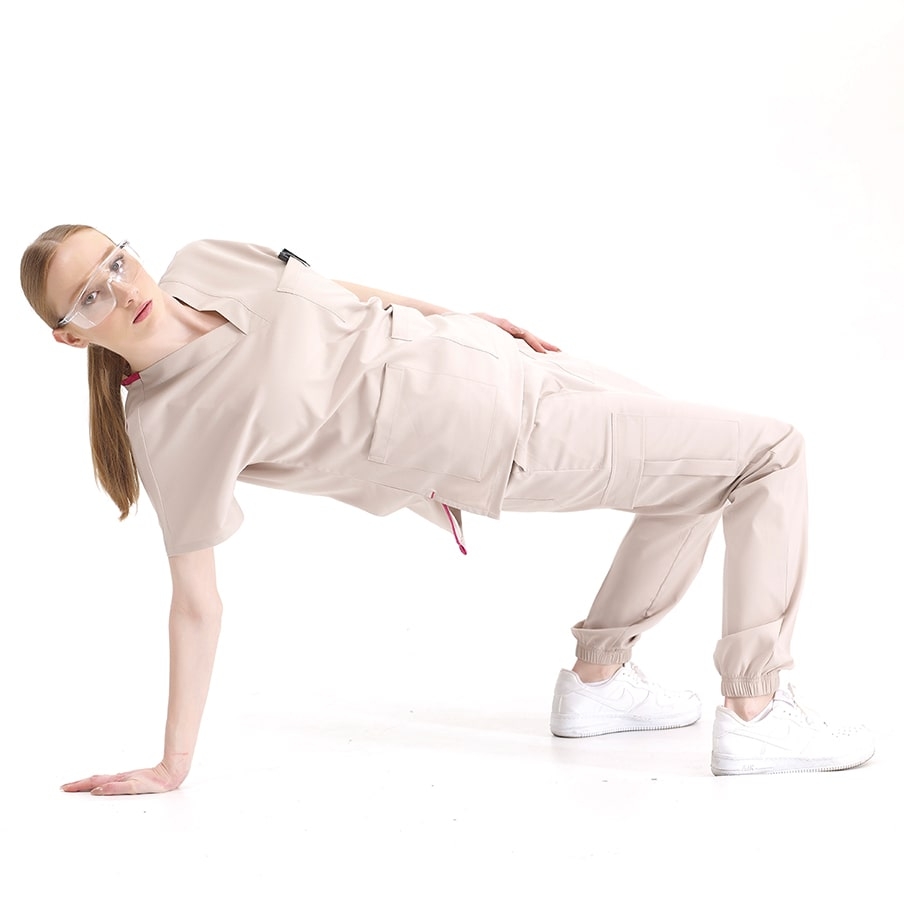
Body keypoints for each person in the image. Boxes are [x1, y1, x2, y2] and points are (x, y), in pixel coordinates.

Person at [21, 224, 874, 795]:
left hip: (499, 362)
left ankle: (600, 684)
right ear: (69, 335)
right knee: (769, 452)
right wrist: (172, 763)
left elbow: (333, 290)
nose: (119, 290)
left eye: (115, 263)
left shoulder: (206, 258)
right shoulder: (171, 427)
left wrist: (463, 317)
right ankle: (757, 711)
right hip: (500, 439)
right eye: (89, 297)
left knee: (698, 470)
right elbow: (196, 603)